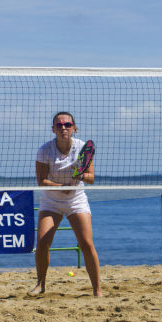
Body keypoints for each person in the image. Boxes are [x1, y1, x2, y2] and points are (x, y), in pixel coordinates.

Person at [29, 112, 102, 297]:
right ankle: (40, 284)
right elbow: (42, 181)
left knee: (86, 243)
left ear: (74, 127)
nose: (63, 128)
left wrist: (81, 176)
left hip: (76, 199)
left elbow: (91, 178)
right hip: (51, 200)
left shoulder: (82, 147)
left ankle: (97, 290)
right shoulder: (45, 150)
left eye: (67, 125)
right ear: (53, 129)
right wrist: (62, 186)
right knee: (43, 242)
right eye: (59, 125)